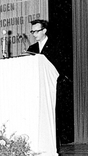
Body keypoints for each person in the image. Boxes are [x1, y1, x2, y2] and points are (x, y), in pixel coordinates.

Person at [27, 19, 71, 152]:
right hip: (37, 88)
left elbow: (61, 66)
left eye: (36, 31)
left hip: (54, 87)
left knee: (54, 116)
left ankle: (54, 147)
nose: (34, 34)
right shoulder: (31, 49)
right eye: (32, 31)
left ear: (44, 30)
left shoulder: (56, 45)